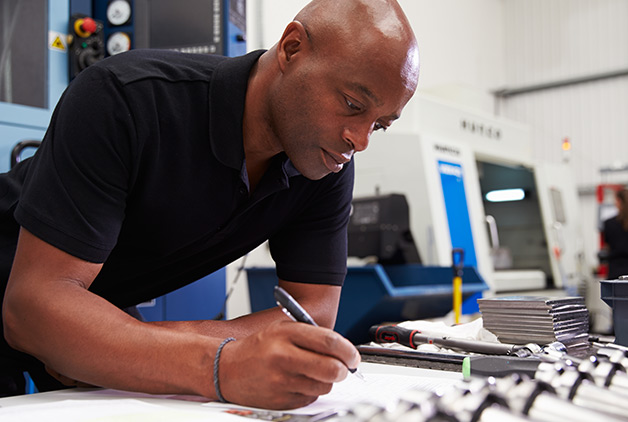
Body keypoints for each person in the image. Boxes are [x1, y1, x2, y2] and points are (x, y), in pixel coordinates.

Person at [0, 0, 419, 410]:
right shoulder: (126, 98)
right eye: (352, 104)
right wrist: (218, 364)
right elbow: (33, 307)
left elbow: (312, 314)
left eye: (378, 125)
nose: (359, 140)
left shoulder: (324, 165)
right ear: (292, 48)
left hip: (91, 309)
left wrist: (126, 343)